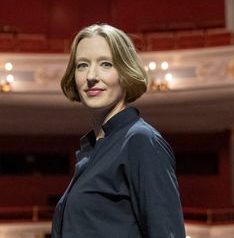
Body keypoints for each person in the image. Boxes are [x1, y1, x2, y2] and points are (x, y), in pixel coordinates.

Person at [51, 24, 186, 238]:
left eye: (106, 64)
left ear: (125, 72)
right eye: (82, 65)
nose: (91, 76)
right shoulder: (92, 151)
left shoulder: (140, 141)